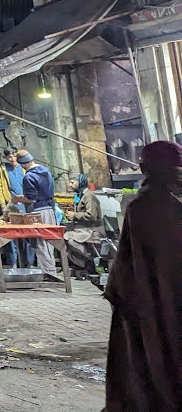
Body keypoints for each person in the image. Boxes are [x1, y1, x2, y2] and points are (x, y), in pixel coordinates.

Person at [103, 140, 181, 412]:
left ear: (144, 167)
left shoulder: (141, 207)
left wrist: (120, 293)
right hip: (165, 298)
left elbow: (126, 268)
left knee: (147, 358)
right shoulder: (160, 205)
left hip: (148, 303)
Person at [11, 149, 59, 277]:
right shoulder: (46, 171)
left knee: (42, 244)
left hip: (39, 212)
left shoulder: (29, 176)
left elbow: (31, 199)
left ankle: (49, 274)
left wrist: (17, 199)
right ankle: (49, 272)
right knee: (49, 244)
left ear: (23, 164)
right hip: (50, 210)